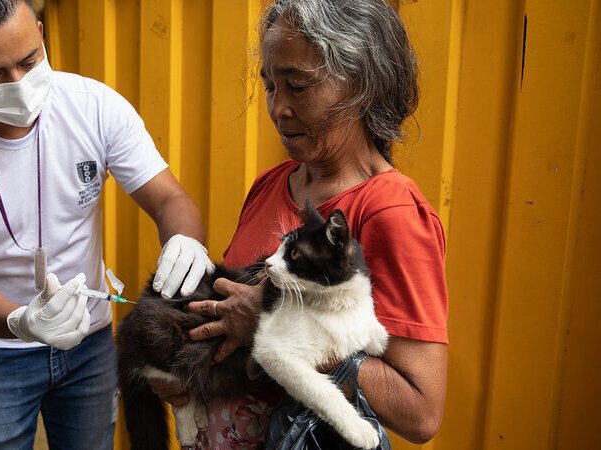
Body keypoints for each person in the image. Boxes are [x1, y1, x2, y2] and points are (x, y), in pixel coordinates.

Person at [0, 1, 213, 448]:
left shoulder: (95, 107)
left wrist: (185, 240)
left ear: (41, 34)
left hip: (91, 344)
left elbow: (169, 198)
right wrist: (23, 322)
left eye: (29, 61)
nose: (18, 85)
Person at [150, 0, 448, 448]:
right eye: (271, 85)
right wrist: (184, 372)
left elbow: (420, 411)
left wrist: (276, 325)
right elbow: (236, 325)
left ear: (360, 83)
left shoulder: (391, 211)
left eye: (297, 85)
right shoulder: (273, 184)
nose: (277, 108)